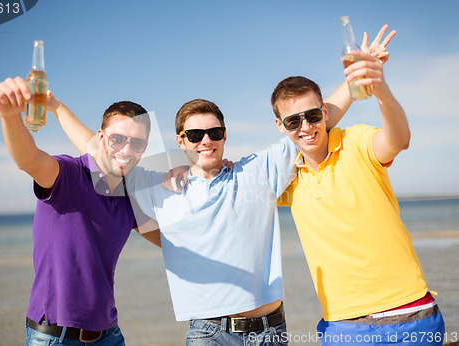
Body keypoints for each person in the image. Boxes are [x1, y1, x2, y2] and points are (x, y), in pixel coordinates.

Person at [56, 26, 395, 346]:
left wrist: (358, 78)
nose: (206, 141)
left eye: (214, 133)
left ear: (225, 135)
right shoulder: (156, 182)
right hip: (209, 333)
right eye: (195, 135)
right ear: (181, 140)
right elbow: (103, 149)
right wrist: (54, 105)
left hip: (271, 329)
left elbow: (312, 122)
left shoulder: (256, 171)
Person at [272, 52, 445, 344]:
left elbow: (398, 140)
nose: (306, 127)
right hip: (342, 326)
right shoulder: (285, 178)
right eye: (293, 121)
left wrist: (380, 91)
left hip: (409, 314)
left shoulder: (355, 141)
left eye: (313, 116)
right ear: (281, 126)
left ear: (325, 113)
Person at [0, 77, 159, 345]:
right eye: (117, 139)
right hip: (56, 337)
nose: (126, 150)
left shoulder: (128, 197)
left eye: (136, 143)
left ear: (145, 147)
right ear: (101, 137)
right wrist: (9, 117)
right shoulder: (70, 175)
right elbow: (29, 160)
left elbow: (170, 243)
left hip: (110, 335)